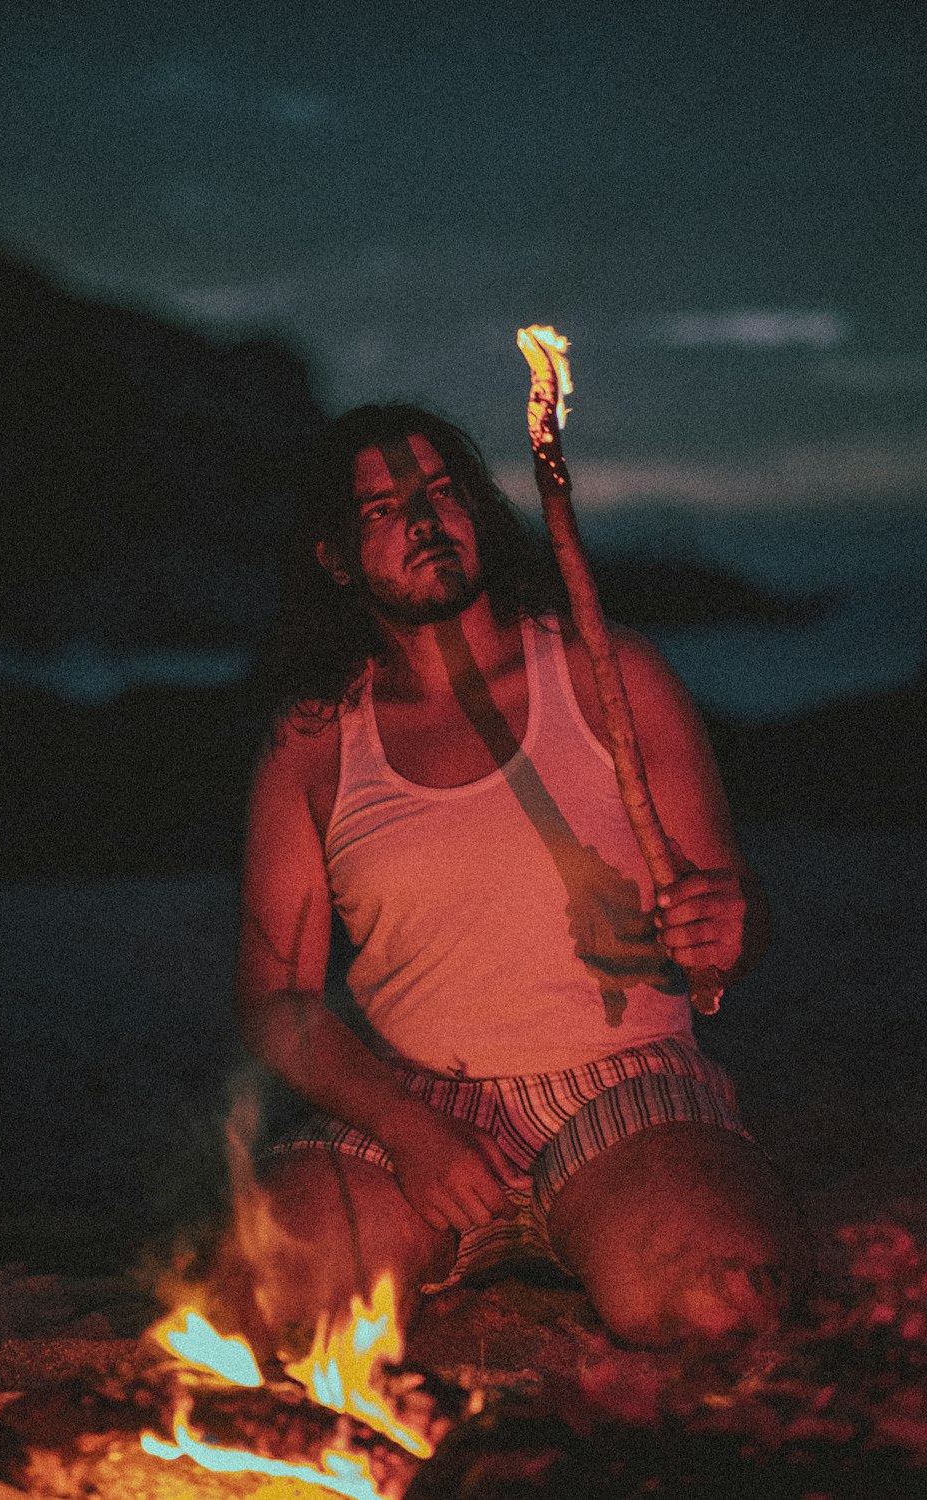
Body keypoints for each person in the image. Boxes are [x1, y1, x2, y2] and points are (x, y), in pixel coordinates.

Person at [235, 403, 809, 1354]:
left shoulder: (609, 674)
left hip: (624, 1090)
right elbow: (277, 1003)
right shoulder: (315, 739)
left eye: (441, 492)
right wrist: (405, 1127)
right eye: (381, 508)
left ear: (478, 515)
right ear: (335, 559)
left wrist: (723, 935)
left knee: (727, 1299)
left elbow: (720, 932)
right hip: (412, 1098)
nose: (423, 520)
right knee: (271, 1305)